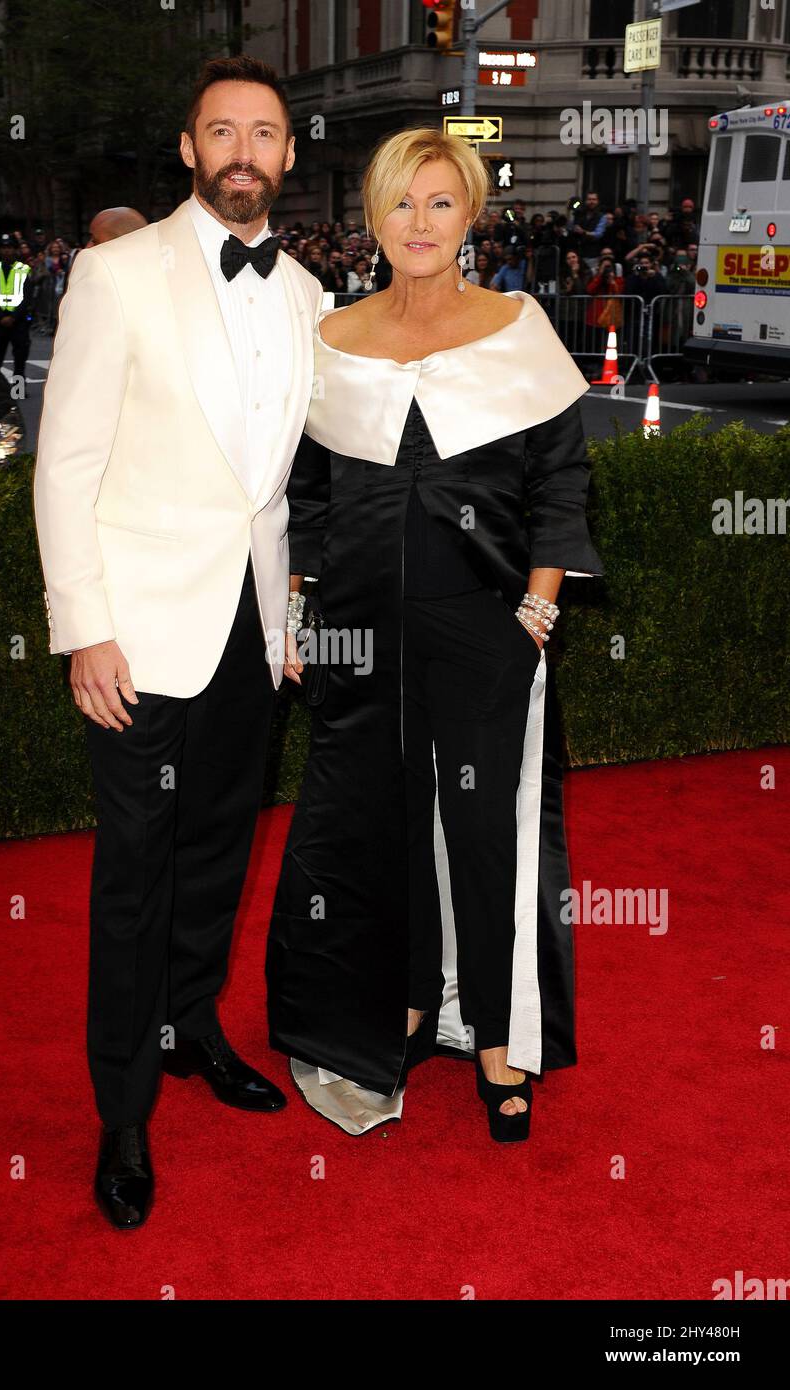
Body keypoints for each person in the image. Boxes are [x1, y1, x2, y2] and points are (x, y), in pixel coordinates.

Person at [33, 54, 323, 1230]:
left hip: (250, 636)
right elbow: (66, 466)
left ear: (288, 155)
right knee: (134, 881)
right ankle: (122, 1109)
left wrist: (292, 617)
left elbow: (291, 488)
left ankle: (193, 1025)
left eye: (264, 132)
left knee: (216, 858)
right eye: (222, 131)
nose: (243, 150)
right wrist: (84, 627)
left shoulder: (307, 294)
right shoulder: (115, 274)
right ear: (190, 150)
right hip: (138, 641)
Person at [267, 128, 603, 1141]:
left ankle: (499, 1037)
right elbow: (307, 499)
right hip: (354, 635)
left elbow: (560, 483)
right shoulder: (328, 338)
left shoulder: (517, 328)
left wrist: (535, 613)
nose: (420, 223)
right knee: (376, 828)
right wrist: (295, 618)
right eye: (400, 204)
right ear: (371, 218)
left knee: (486, 835)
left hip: (480, 629)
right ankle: (406, 1004)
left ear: (471, 215)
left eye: (440, 203)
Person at [0, 235, 32, 376]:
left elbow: (27, 297)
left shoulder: (24, 269)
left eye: (10, 248)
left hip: (19, 320)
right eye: (4, 248)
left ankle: (19, 391)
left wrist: (13, 317)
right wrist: (1, 317)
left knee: (20, 358)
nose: (7, 251)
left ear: (15, 250)